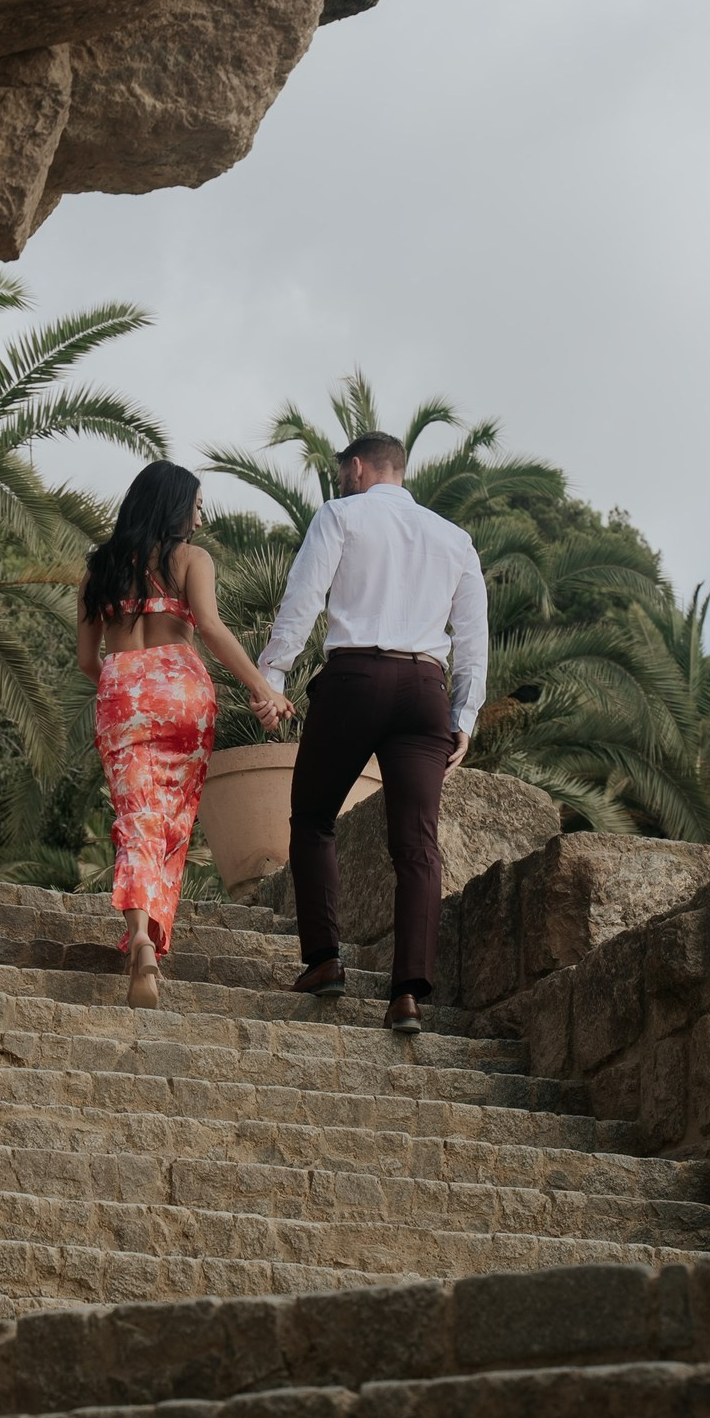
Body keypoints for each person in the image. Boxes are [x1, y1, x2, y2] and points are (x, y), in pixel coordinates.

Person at [257, 432, 489, 1035]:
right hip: (424, 693)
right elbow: (473, 639)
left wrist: (273, 673)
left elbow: (303, 596)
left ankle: (325, 960)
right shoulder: (455, 539)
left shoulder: (341, 513)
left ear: (357, 468)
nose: (341, 483)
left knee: (312, 817)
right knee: (417, 846)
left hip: (355, 678)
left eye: (343, 474)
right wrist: (464, 718)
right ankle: (407, 995)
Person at [78, 461, 291, 1009]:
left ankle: (141, 940)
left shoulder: (99, 565)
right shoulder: (192, 559)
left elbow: (86, 659)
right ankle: (150, 935)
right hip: (183, 689)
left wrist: (123, 685)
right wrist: (263, 689)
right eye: (196, 505)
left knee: (135, 819)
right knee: (170, 820)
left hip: (122, 686)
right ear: (175, 506)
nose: (199, 518)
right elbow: (213, 629)